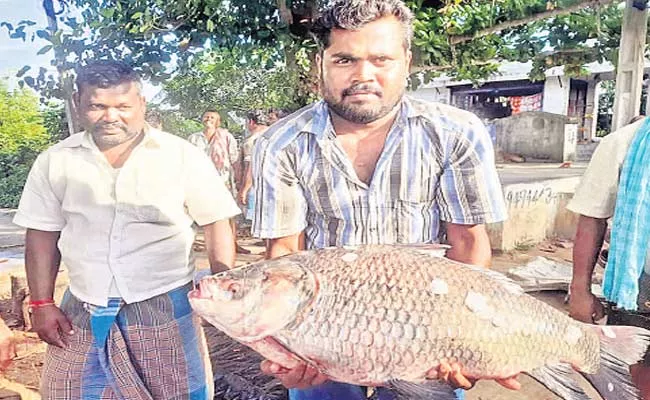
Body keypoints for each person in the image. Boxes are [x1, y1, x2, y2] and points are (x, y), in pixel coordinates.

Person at [251, 1, 512, 398]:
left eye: (381, 59)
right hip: (324, 328)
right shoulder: (281, 144)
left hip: (429, 327)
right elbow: (285, 251)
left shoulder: (456, 133)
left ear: (406, 61)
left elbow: (469, 244)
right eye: (344, 60)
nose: (363, 76)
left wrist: (465, 336)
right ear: (319, 62)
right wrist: (287, 347)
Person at [13, 60, 240, 399]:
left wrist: (225, 293)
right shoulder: (56, 160)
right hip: (82, 307)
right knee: (68, 392)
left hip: (164, 301)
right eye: (97, 106)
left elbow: (216, 222)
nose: (111, 116)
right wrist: (42, 303)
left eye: (123, 106)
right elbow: (42, 234)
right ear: (78, 104)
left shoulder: (180, 155)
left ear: (142, 105)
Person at [568, 115, 650, 398]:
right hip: (639, 289)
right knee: (636, 380)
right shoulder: (624, 143)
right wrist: (579, 289)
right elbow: (592, 219)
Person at [188, 110, 250, 254]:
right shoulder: (194, 138)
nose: (208, 119)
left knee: (229, 214)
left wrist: (239, 179)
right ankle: (199, 244)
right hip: (200, 181)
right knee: (198, 212)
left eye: (212, 117)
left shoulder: (227, 137)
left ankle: (233, 244)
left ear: (218, 122)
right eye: (206, 116)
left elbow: (234, 159)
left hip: (223, 181)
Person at [237, 110, 275, 222]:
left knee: (260, 222)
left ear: (251, 122)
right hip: (277, 185)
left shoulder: (252, 141)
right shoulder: (275, 135)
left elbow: (251, 167)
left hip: (257, 187)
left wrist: (244, 189)